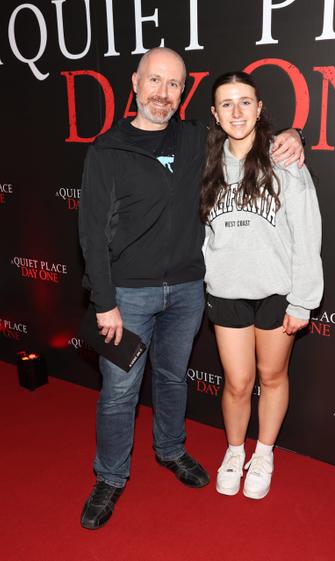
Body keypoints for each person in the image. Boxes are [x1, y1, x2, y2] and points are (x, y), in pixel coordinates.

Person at [79, 48, 304, 529]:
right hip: (128, 295)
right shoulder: (108, 148)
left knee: (172, 378)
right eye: (154, 82)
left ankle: (170, 450)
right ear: (135, 84)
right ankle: (110, 477)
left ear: (184, 92)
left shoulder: (198, 140)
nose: (162, 93)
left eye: (174, 85)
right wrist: (105, 303)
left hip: (187, 290)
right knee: (119, 393)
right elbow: (91, 232)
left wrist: (294, 135)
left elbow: (250, 134)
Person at [200, 71, 323, 500]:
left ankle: (265, 451)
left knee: (272, 377)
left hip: (276, 292)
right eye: (227, 104)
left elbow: (308, 234)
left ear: (259, 107)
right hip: (227, 292)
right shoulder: (206, 163)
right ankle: (235, 451)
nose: (237, 111)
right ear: (215, 114)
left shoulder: (284, 159)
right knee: (237, 382)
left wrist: (304, 301)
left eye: (245, 101)